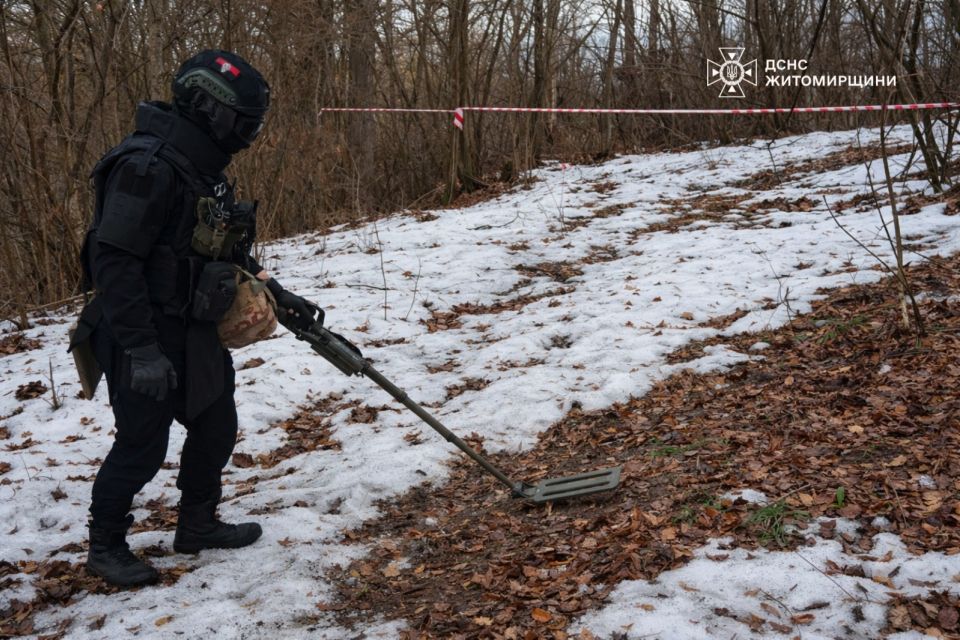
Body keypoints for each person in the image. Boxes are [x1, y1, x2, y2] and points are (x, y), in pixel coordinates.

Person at [77, 50, 320, 587]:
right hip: (139, 327)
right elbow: (112, 261)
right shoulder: (147, 167)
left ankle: (197, 525)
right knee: (142, 444)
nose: (250, 135)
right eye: (245, 123)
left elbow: (218, 251)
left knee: (216, 425)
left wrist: (275, 292)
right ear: (210, 108)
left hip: (193, 327)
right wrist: (140, 348)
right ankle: (106, 545)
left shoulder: (201, 170)